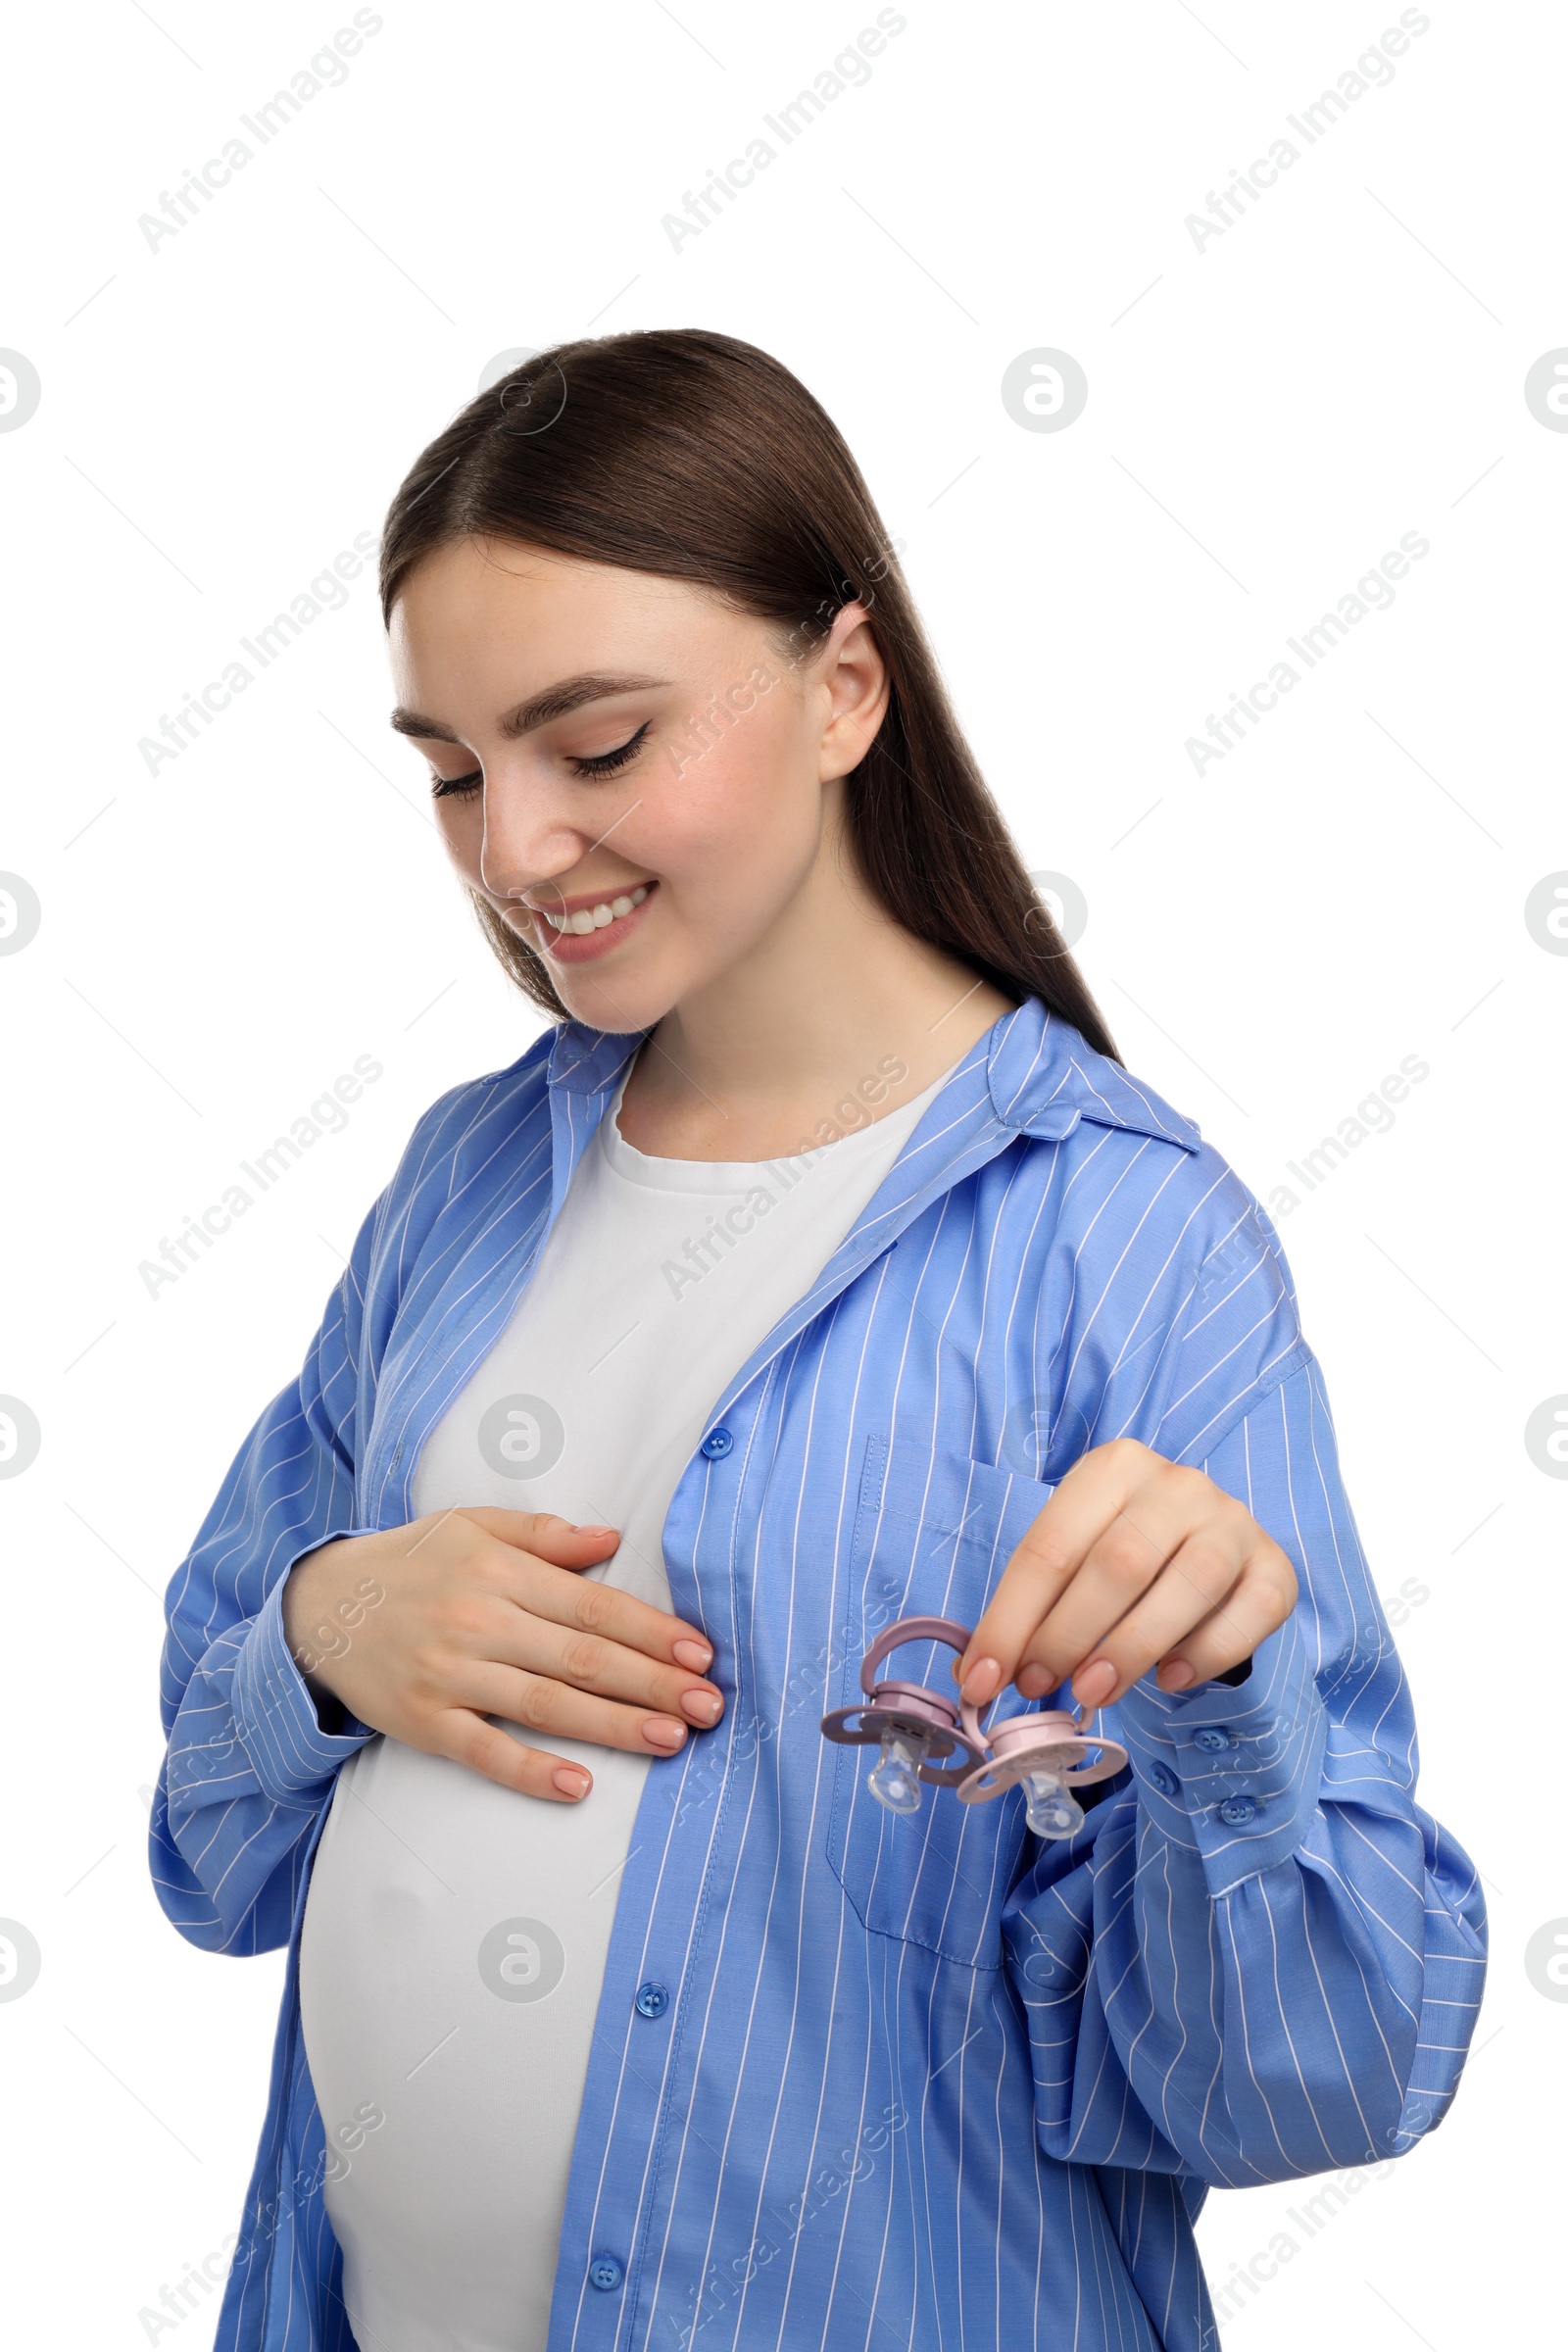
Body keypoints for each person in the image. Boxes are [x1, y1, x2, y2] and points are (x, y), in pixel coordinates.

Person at [150, 328, 1487, 2352]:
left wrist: (1224, 1703)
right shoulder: (459, 1183)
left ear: (843, 686)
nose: (509, 851)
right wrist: (328, 1634)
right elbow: (204, 1839)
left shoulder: (1123, 1241)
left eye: (593, 748)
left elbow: (1309, 2074)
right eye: (448, 769)